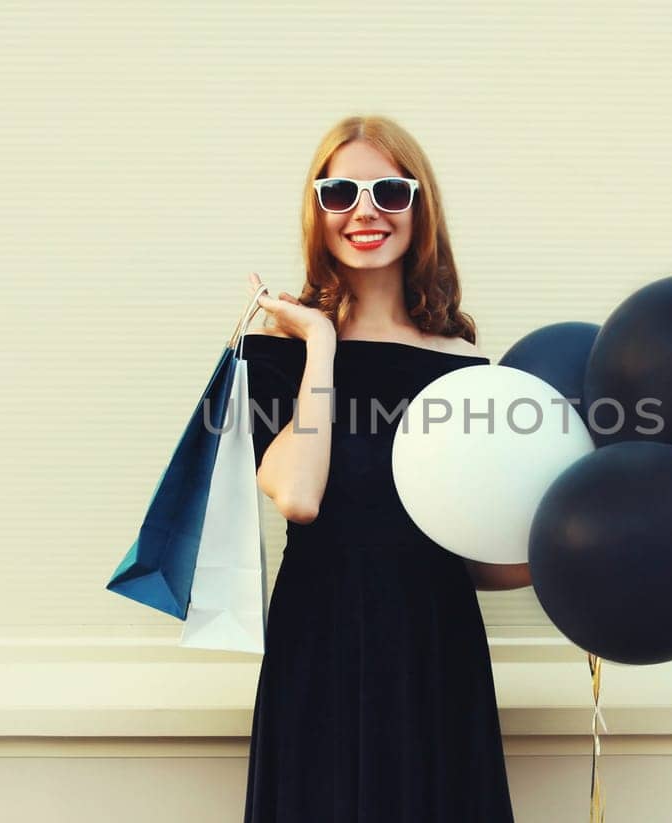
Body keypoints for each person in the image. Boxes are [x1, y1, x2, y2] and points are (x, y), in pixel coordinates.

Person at [238, 115, 528, 822]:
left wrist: (585, 550)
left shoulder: (467, 368)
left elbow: (472, 554)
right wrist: (322, 344)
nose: (364, 211)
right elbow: (300, 496)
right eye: (340, 192)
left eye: (388, 192)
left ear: (418, 207)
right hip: (323, 642)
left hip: (437, 645)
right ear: (318, 211)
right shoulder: (275, 354)